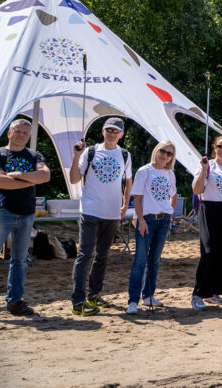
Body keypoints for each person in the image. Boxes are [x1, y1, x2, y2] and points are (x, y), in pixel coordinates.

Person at [69, 117, 132, 316]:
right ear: (103, 132)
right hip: (90, 209)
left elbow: (128, 182)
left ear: (121, 135)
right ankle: (78, 302)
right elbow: (74, 178)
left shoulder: (124, 154)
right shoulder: (90, 151)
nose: (112, 133)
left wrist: (124, 204)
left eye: (116, 131)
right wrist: (76, 156)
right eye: (109, 130)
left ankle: (94, 295)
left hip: (112, 212)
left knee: (102, 256)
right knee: (84, 254)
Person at [0, 118, 50, 316]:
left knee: (20, 260)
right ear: (9, 133)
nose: (21, 135)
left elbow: (45, 176)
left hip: (26, 214)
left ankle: (14, 301)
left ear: (29, 136)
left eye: (25, 132)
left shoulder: (34, 155)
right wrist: (29, 181)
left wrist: (16, 175)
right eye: (18, 131)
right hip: (1, 212)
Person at [126, 141, 178, 314]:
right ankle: (133, 300)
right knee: (139, 261)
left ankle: (148, 295)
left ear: (172, 157)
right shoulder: (144, 171)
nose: (164, 155)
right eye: (162, 151)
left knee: (154, 260)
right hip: (147, 219)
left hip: (163, 220)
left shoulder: (170, 174)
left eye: (169, 153)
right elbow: (138, 198)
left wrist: (169, 215)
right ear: (156, 150)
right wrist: (140, 220)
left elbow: (174, 195)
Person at [190, 135, 222, 310]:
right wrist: (203, 170)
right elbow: (197, 189)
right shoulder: (208, 167)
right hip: (209, 209)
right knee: (208, 251)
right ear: (214, 147)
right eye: (219, 146)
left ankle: (212, 292)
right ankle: (198, 293)